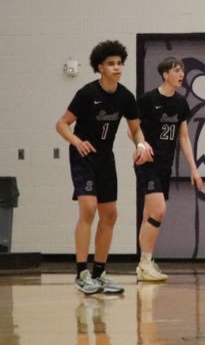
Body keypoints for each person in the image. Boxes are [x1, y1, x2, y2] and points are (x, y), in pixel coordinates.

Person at [55, 40, 149, 295]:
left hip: (106, 159)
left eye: (119, 63)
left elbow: (135, 129)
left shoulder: (125, 97)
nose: (117, 68)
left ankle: (100, 272)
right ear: (100, 67)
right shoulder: (87, 94)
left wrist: (141, 145)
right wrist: (76, 141)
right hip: (84, 156)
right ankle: (81, 273)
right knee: (88, 208)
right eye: (111, 64)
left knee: (110, 215)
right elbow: (62, 124)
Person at [134, 57, 205, 282]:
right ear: (165, 74)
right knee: (159, 210)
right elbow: (132, 129)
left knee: (149, 214)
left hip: (166, 165)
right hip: (147, 163)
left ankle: (145, 264)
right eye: (176, 70)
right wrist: (141, 145)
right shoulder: (147, 99)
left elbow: (183, 137)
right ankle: (145, 262)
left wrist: (194, 169)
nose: (181, 74)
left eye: (182, 70)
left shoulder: (181, 103)